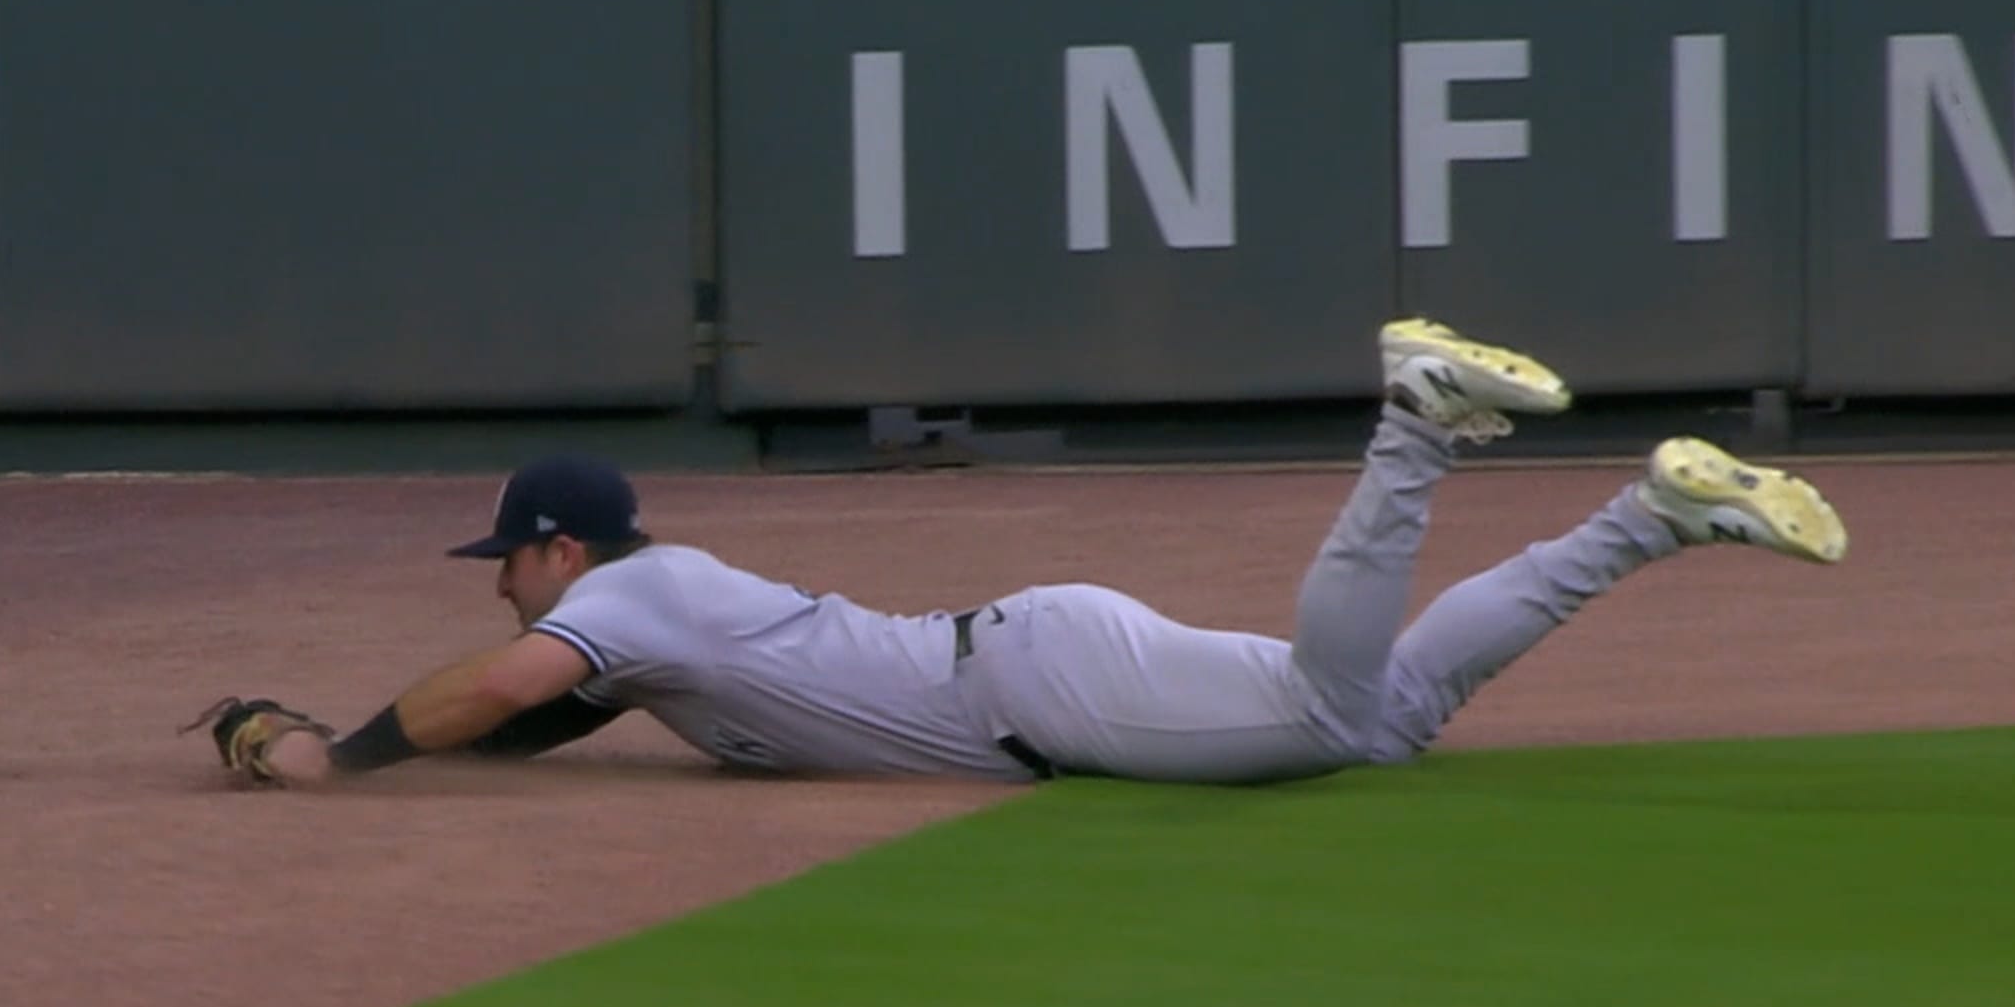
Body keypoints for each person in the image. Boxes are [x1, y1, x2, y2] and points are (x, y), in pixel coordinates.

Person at [188, 319, 1848, 789]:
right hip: (1042, 666)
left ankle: (1415, 425)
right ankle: (1654, 516)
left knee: (1354, 717)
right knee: (1388, 707)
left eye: (506, 556)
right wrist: (323, 738)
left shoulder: (626, 592)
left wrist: (339, 754)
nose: (498, 581)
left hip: (1043, 684)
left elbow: (499, 682)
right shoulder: (648, 624)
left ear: (561, 548)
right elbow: (538, 716)